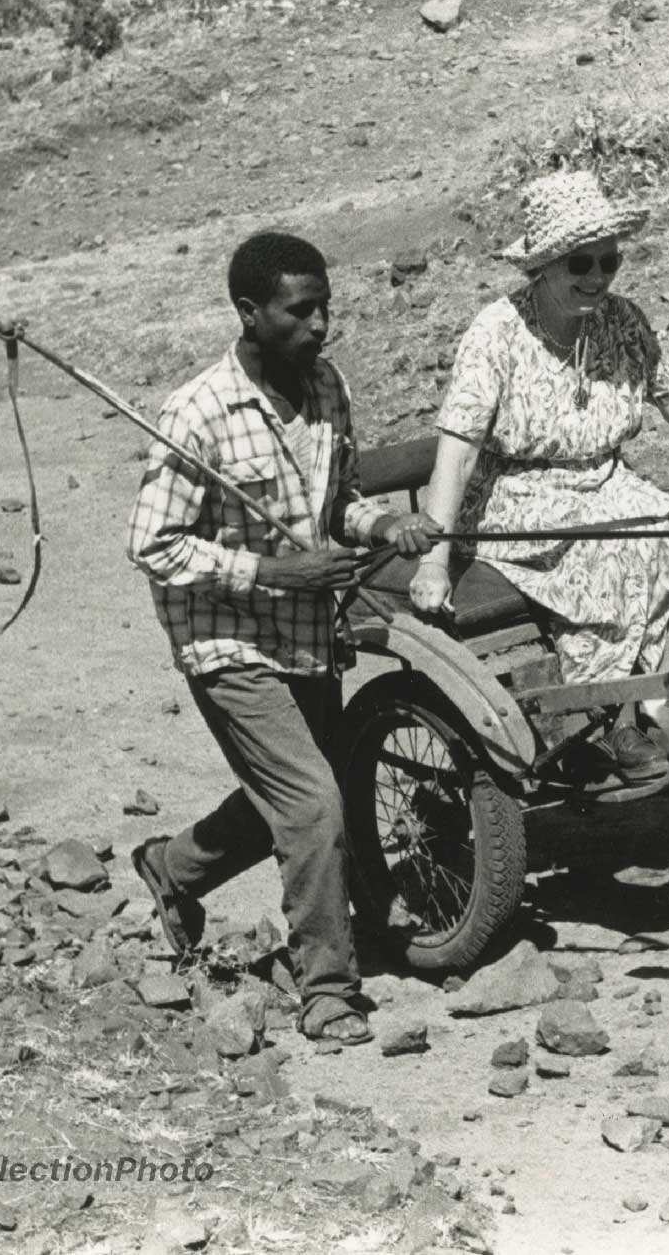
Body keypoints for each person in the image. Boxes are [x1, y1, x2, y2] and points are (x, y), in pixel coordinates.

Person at [126, 231, 440, 1047]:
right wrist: (269, 572)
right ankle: (328, 988)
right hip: (224, 636)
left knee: (288, 800)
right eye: (301, 311)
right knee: (312, 802)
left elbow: (338, 506)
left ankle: (173, 868)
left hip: (304, 633)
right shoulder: (197, 411)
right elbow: (153, 545)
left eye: (325, 306)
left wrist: (387, 524)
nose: (320, 324)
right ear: (249, 313)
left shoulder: (328, 388)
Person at [411, 170, 669, 786]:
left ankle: (636, 695)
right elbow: (458, 453)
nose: (597, 277)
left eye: (608, 260)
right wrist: (434, 561)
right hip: (516, 497)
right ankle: (600, 715)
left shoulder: (621, 322)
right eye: (580, 263)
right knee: (616, 550)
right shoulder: (496, 334)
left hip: (604, 482)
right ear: (543, 266)